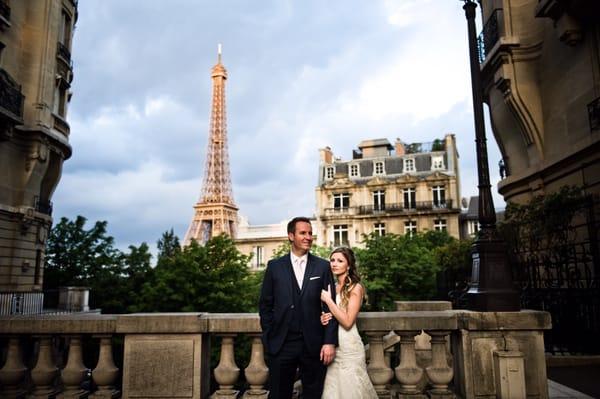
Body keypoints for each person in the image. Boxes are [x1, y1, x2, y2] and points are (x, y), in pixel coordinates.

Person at [259, 217, 338, 399]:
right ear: (291, 236)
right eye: (303, 233)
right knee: (279, 394)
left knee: (313, 394)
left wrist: (329, 342)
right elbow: (265, 305)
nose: (308, 237)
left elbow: (330, 307)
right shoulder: (275, 267)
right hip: (281, 343)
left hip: (314, 344)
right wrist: (269, 336)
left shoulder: (322, 267)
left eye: (310, 233)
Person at [319, 247, 377, 399]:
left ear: (349, 265)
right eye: (332, 260)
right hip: (333, 345)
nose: (334, 264)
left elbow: (347, 321)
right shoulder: (332, 286)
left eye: (340, 261)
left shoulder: (355, 288)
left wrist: (329, 301)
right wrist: (323, 317)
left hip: (349, 347)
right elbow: (332, 314)